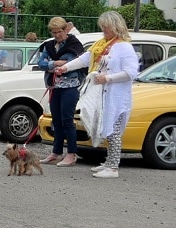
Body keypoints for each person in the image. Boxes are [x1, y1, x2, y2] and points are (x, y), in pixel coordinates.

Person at [54, 10, 139, 179]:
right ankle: (109, 163)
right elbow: (85, 59)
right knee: (105, 127)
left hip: (116, 96)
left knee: (113, 130)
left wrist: (108, 78)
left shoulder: (124, 47)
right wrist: (66, 68)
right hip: (103, 95)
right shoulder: (101, 44)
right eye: (103, 28)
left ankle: (113, 167)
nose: (104, 31)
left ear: (115, 27)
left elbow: (131, 72)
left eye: (106, 28)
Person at [37, 16, 86, 166]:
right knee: (56, 120)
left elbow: (71, 62)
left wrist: (51, 63)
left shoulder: (74, 43)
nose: (57, 35)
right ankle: (56, 152)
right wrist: (55, 63)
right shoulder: (50, 45)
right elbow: (40, 62)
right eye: (54, 32)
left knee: (67, 121)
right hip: (54, 87)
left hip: (70, 88)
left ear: (65, 30)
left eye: (59, 32)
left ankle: (71, 153)